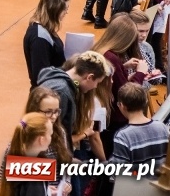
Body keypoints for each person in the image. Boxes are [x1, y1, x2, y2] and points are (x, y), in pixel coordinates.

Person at [92, 15, 149, 156]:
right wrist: (140, 73)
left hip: (103, 113)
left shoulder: (101, 50)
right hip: (114, 118)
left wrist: (124, 69)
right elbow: (126, 95)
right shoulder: (112, 58)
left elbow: (114, 82)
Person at [36, 51, 111, 152]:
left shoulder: (61, 84)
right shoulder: (62, 92)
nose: (96, 86)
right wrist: (83, 134)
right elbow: (50, 135)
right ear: (89, 77)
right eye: (97, 82)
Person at [110, 82, 169, 169]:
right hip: (160, 177)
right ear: (146, 101)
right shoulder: (162, 127)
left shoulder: (122, 136)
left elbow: (120, 171)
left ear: (121, 105)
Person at [23, 0, 70, 88]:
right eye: (65, 9)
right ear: (55, 10)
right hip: (49, 93)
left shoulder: (45, 29)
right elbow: (41, 76)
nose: (66, 12)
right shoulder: (39, 38)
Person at [0, 113, 53, 196]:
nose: (51, 138)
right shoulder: (35, 178)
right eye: (50, 134)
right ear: (42, 140)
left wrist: (47, 190)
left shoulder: (14, 161)